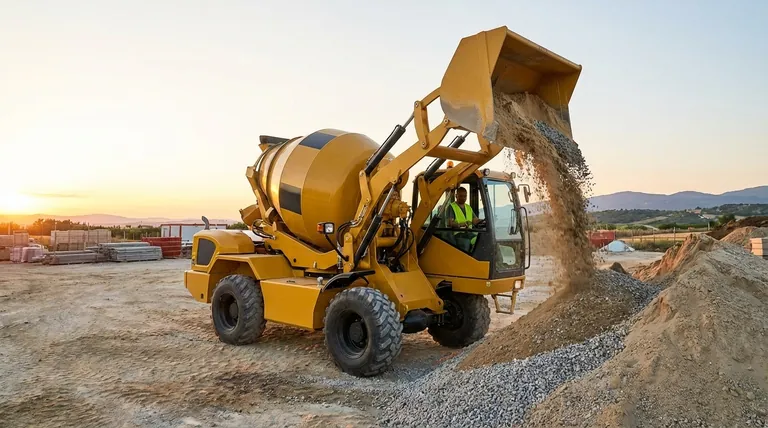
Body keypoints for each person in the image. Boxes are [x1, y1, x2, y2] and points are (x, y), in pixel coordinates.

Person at [446, 187, 483, 252]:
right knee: (474, 242)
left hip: (468, 233)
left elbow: (474, 220)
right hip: (458, 235)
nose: (463, 198)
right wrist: (460, 225)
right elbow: (449, 223)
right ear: (456, 196)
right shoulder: (451, 207)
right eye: (461, 196)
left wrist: (482, 221)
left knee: (483, 239)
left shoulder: (468, 207)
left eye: (465, 196)